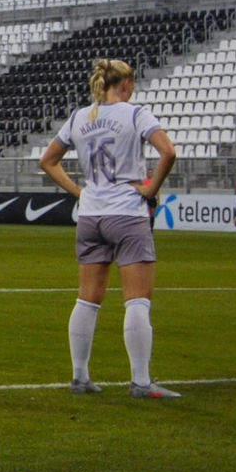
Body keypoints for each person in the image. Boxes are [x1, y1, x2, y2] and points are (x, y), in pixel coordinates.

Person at [39, 58, 180, 398]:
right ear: (126, 85)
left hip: (90, 216)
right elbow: (168, 152)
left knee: (87, 300)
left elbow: (47, 161)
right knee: (137, 301)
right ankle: (141, 381)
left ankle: (80, 376)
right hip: (127, 214)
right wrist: (149, 189)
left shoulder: (79, 118)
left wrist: (79, 192)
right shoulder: (135, 114)